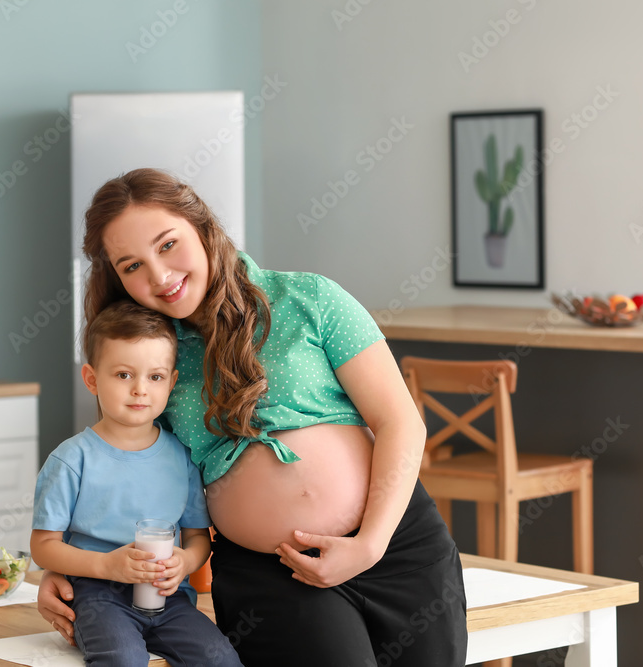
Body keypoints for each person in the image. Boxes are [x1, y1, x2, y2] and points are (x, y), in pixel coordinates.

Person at [38, 168, 468, 666]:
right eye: (132, 265)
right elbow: (124, 471)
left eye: (167, 244)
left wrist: (370, 545)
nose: (158, 275)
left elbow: (401, 422)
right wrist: (80, 574)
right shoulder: (149, 356)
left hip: (395, 548)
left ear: (202, 228)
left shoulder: (311, 297)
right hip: (273, 576)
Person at [30, 300, 243, 666]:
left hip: (168, 596)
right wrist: (107, 566)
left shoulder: (182, 456)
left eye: (155, 377)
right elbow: (43, 546)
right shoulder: (72, 459)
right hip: (97, 594)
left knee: (221, 659)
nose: (140, 390)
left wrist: (186, 561)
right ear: (92, 379)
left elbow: (197, 537)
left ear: (171, 382)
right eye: (124, 375)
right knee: (124, 659)